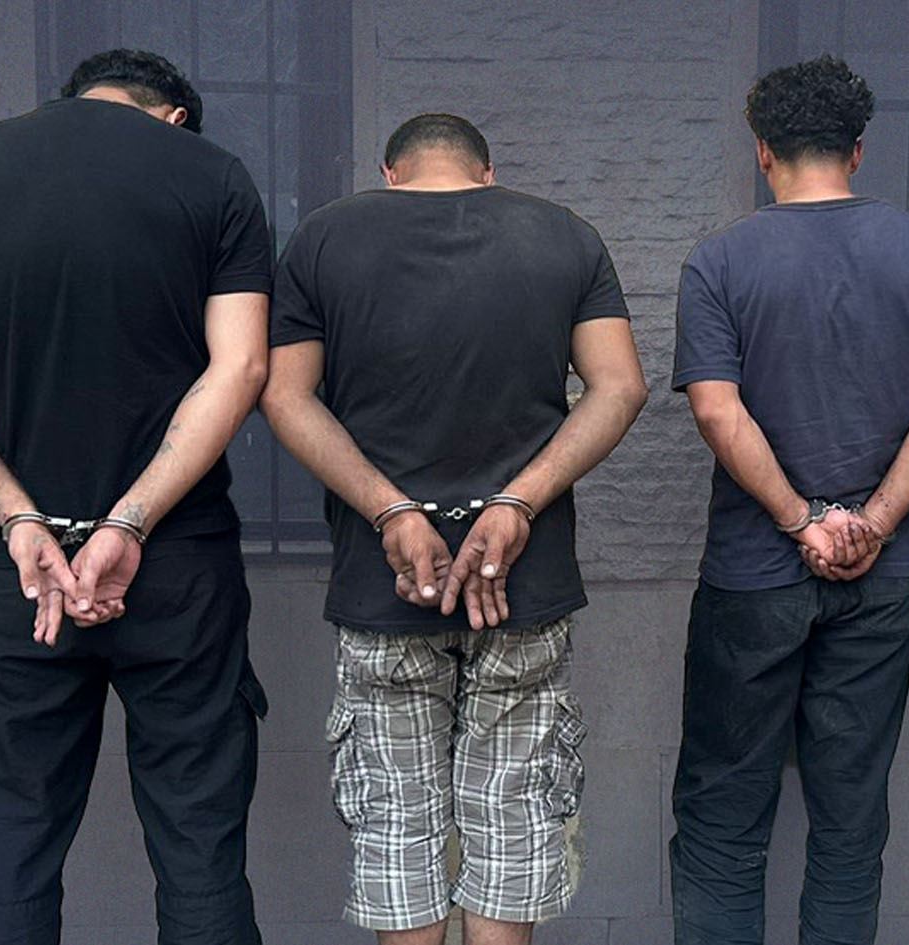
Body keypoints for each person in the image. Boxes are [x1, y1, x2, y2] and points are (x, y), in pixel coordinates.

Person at [0, 49, 271, 945]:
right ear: (173, 116)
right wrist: (129, 520)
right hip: (176, 563)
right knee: (200, 853)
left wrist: (19, 517)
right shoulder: (211, 175)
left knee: (12, 851)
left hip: (19, 569)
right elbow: (242, 366)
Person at [260, 113, 647, 945]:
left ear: (390, 173)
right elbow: (620, 387)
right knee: (511, 818)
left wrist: (391, 509)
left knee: (399, 825)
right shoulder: (565, 236)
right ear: (487, 171)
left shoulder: (324, 238)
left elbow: (285, 395)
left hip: (383, 581)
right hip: (522, 582)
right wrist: (517, 502)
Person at [668, 55, 909, 945]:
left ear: (762, 150)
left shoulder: (719, 261)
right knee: (850, 816)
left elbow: (716, 409)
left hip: (752, 573)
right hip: (882, 576)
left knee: (724, 813)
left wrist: (799, 519)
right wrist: (872, 521)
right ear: (859, 148)